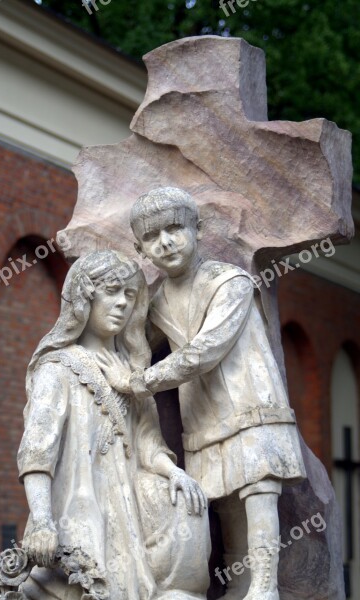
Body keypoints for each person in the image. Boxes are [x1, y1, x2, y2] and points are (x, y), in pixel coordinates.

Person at [98, 188, 307, 600]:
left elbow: (204, 351)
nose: (166, 242)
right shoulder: (156, 301)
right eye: (153, 237)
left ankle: (265, 588)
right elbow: (131, 343)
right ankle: (242, 585)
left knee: (258, 491)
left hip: (251, 406)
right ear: (141, 248)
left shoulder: (229, 282)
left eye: (175, 228)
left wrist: (138, 382)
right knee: (227, 507)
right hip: (205, 420)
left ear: (198, 228)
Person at [17, 250, 210, 600]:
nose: (122, 303)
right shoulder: (58, 367)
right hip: (78, 508)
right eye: (111, 290)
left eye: (129, 295)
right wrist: (43, 522)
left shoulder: (131, 372)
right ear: (84, 296)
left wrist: (173, 472)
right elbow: (36, 451)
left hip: (125, 508)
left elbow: (147, 441)